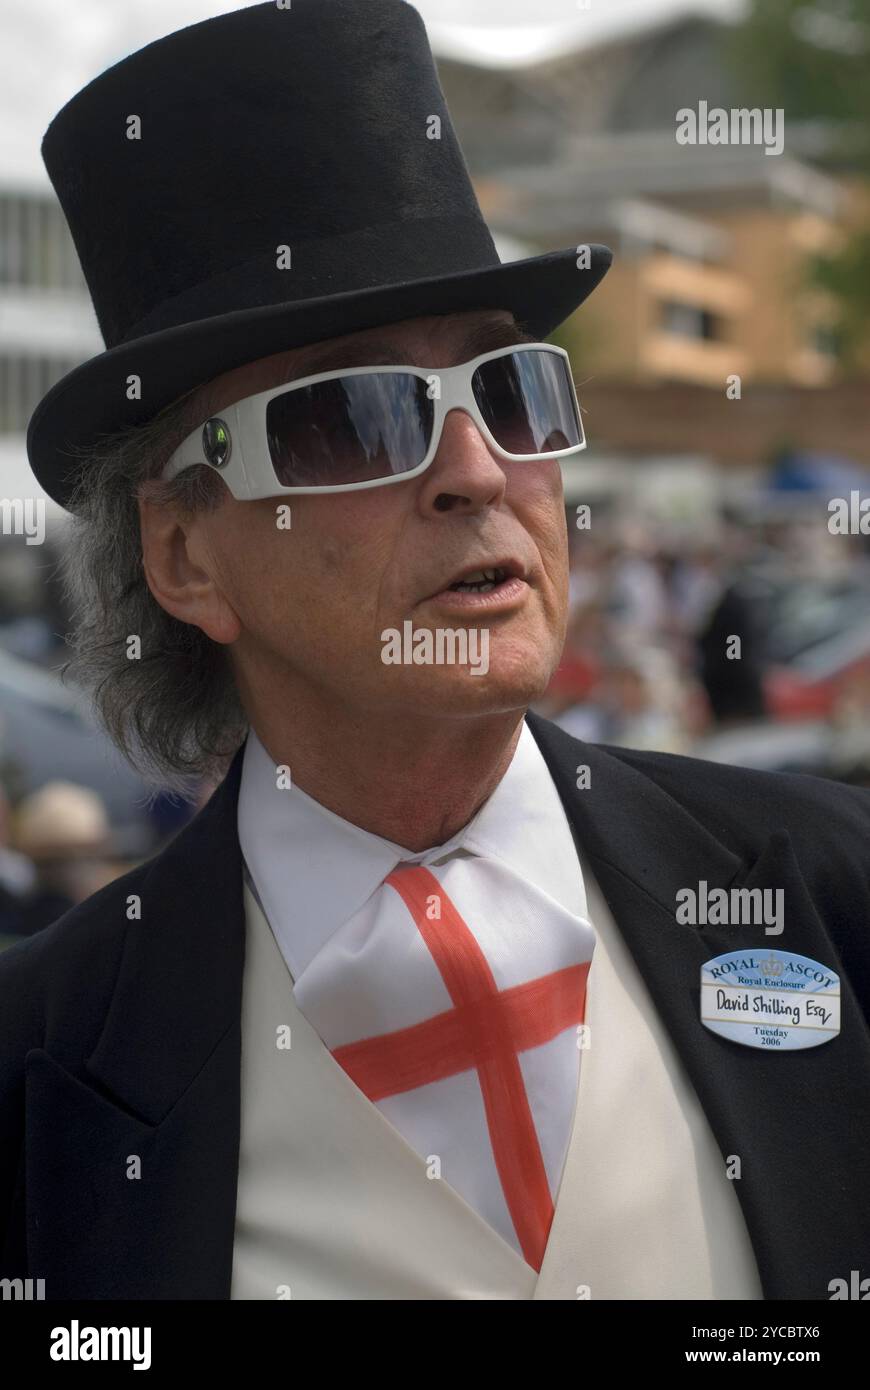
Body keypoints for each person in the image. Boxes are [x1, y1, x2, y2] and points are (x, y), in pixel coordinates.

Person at [1, 0, 868, 1302]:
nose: (478, 469)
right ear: (185, 554)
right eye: (349, 419)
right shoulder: (39, 1067)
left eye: (511, 389)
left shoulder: (830, 891)